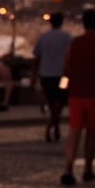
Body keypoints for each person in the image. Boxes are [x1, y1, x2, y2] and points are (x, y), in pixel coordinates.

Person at [59, 9, 95, 185]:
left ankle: (68, 168)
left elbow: (65, 68)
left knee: (73, 133)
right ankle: (88, 169)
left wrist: (64, 87)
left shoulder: (74, 43)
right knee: (91, 134)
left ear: (83, 24)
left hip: (76, 94)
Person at [31, 12, 71, 142]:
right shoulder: (67, 37)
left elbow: (37, 58)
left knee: (51, 101)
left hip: (46, 76)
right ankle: (53, 125)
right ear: (62, 22)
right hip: (64, 77)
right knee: (60, 101)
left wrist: (33, 75)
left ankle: (52, 126)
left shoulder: (43, 37)